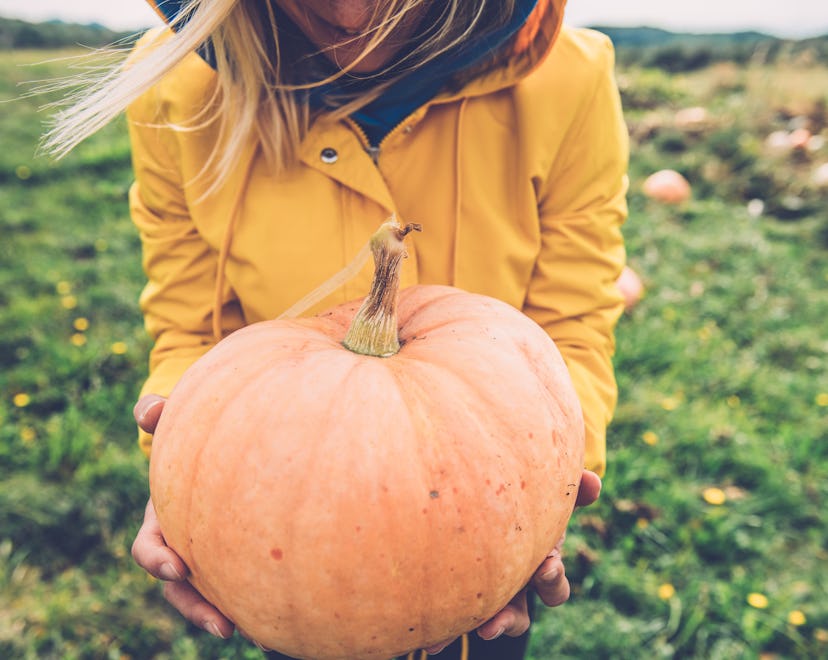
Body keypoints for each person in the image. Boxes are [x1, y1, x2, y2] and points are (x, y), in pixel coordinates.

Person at [48, 0, 627, 658]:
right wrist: (187, 476)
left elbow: (573, 324)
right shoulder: (174, 84)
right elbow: (192, 328)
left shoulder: (569, 79)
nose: (353, 16)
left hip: (490, 553)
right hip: (288, 543)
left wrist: (542, 492)